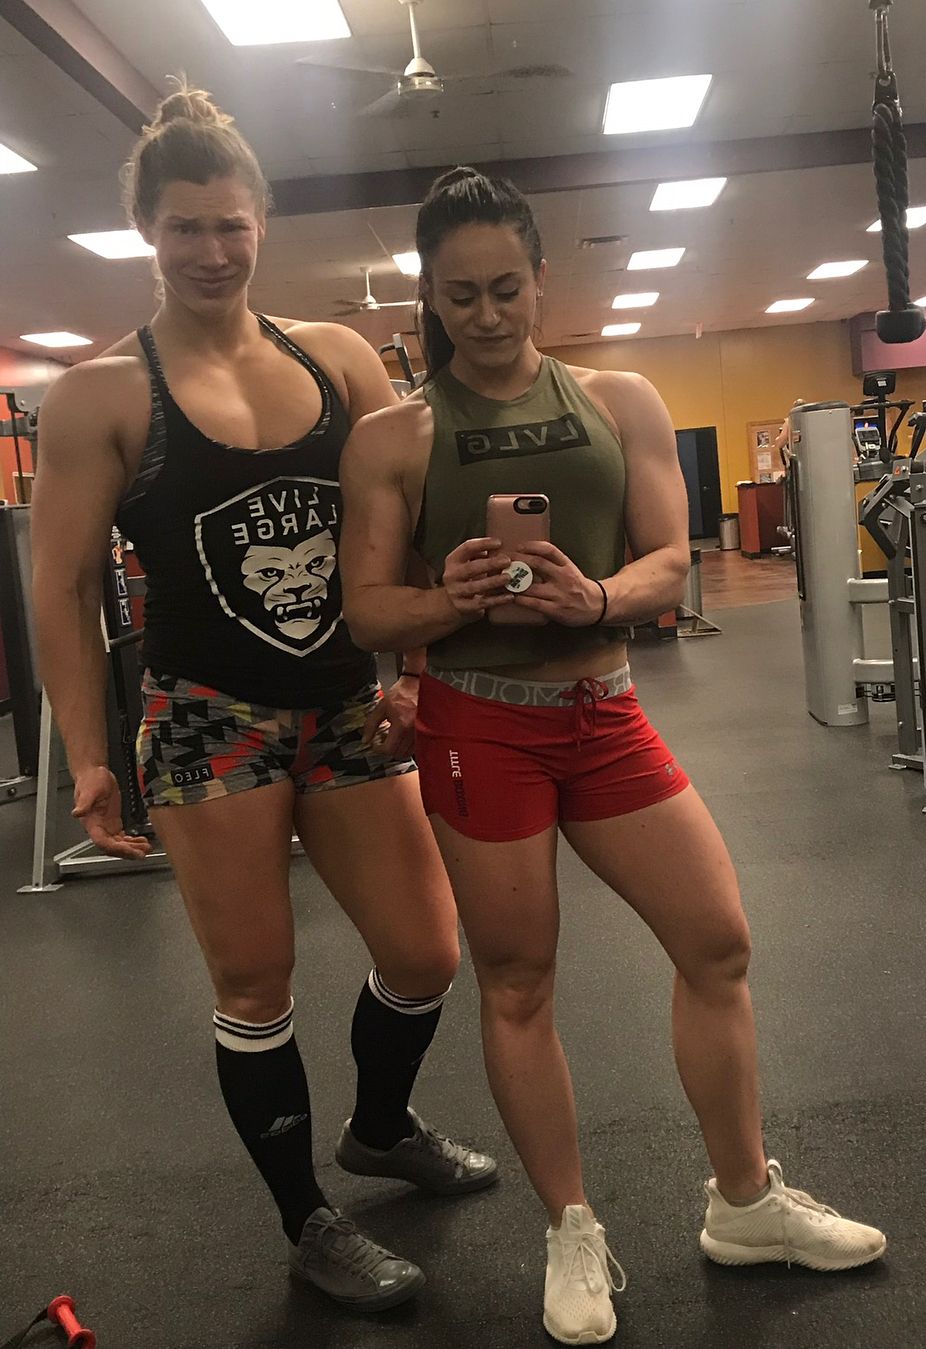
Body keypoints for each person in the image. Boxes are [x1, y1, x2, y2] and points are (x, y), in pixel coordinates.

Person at [340, 167, 887, 1344]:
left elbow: (669, 562)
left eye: (505, 288)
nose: (486, 315)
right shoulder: (394, 435)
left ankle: (744, 1200)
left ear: (542, 277)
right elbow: (369, 607)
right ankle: (571, 1225)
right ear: (430, 296)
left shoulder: (621, 399)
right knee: (519, 977)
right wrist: (447, 598)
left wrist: (592, 596)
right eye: (459, 297)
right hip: (479, 724)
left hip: (605, 712)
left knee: (717, 940)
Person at [30, 89, 496, 1312]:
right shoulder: (102, 395)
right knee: (255, 982)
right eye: (184, 227)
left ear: (262, 222)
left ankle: (380, 1125)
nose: (211, 250)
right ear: (146, 229)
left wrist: (414, 671)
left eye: (230, 224)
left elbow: (406, 525)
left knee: (424, 950)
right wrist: (88, 753)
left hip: (343, 698)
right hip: (206, 716)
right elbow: (63, 586)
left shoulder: (336, 358)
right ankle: (307, 1218)